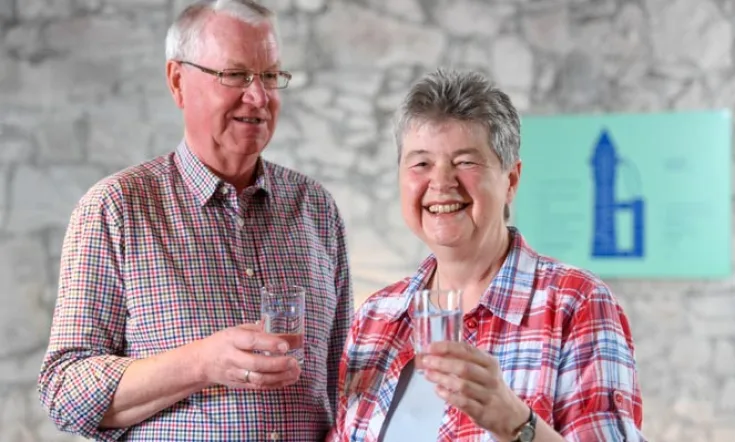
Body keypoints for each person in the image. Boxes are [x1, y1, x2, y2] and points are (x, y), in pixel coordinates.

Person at [37, 1, 352, 440]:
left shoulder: (316, 208)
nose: (259, 96)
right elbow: (64, 391)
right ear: (177, 81)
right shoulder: (116, 208)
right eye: (236, 74)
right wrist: (202, 363)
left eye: (269, 76)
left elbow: (346, 389)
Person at [329, 68, 646, 442]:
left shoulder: (575, 304)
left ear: (511, 180)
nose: (441, 182)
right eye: (421, 163)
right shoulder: (376, 316)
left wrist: (516, 422)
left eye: (465, 161)